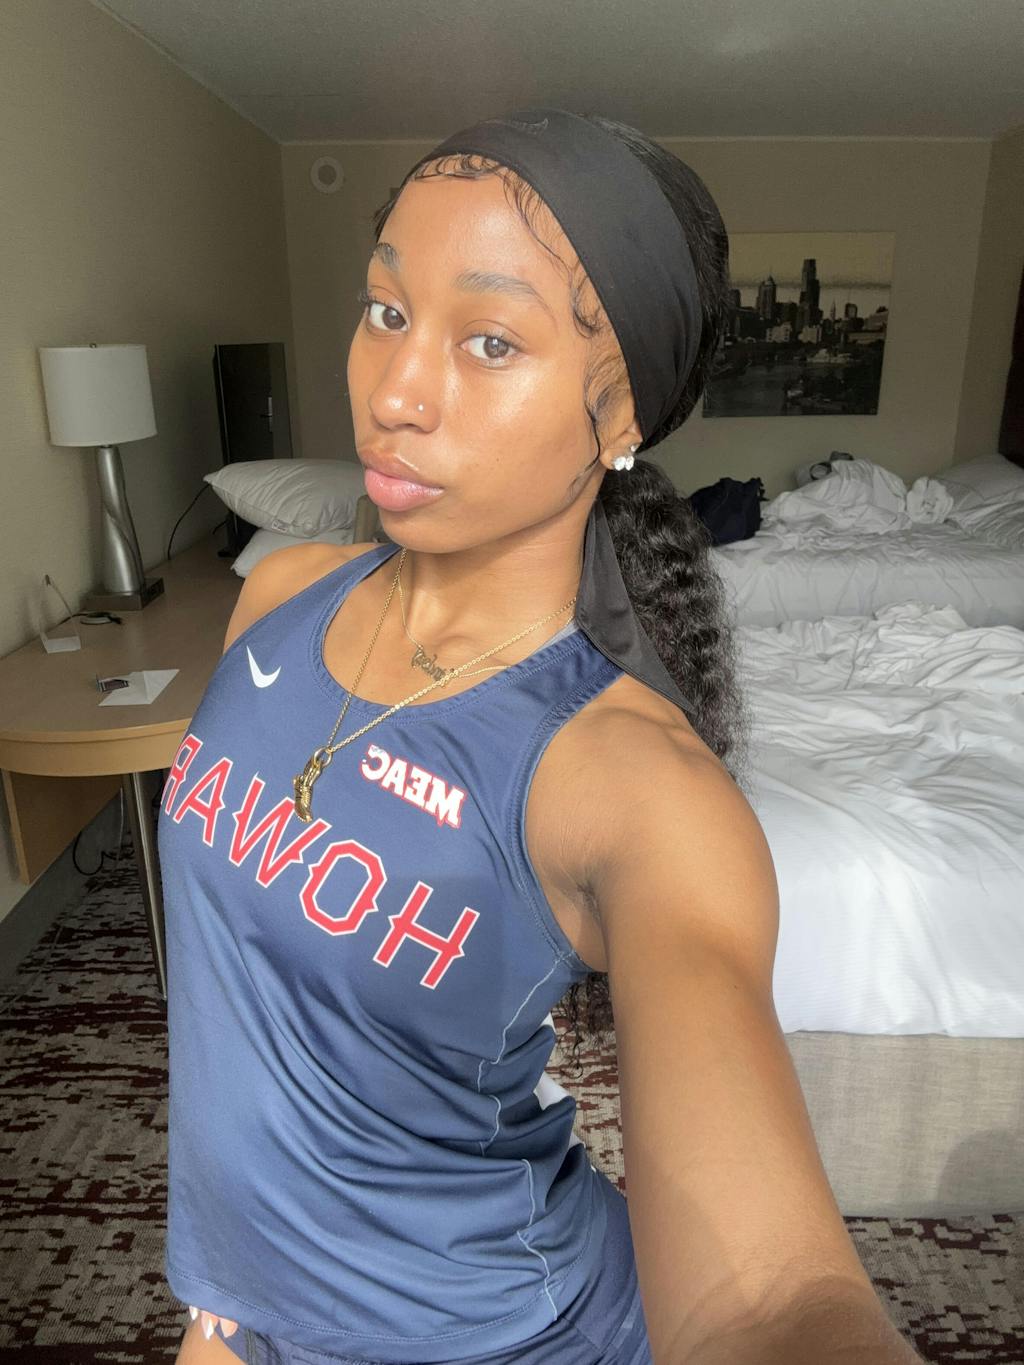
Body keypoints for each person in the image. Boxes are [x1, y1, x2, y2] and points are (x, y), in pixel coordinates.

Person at [162, 110, 923, 1365]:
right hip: (245, 1313)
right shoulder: (280, 594)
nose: (394, 393)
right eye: (387, 311)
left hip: (506, 1336)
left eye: (491, 340)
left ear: (620, 417)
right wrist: (219, 1309)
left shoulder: (631, 782)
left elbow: (768, 1304)